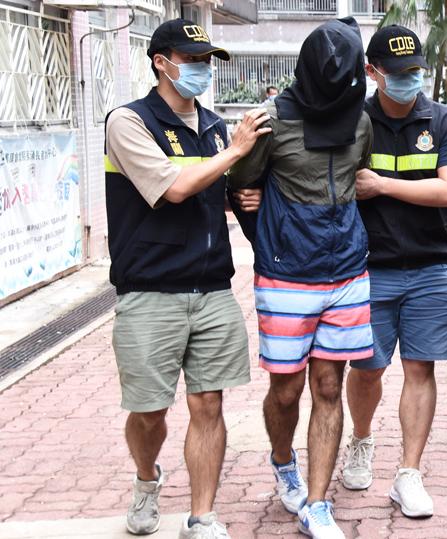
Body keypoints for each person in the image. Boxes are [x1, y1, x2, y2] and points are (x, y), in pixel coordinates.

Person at [104, 19, 270, 539]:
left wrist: (242, 196)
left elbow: (213, 189)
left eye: (206, 61)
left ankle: (202, 516)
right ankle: (146, 478)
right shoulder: (129, 122)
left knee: (208, 403)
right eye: (191, 59)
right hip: (150, 291)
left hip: (212, 288)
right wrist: (234, 154)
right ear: (161, 62)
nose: (201, 69)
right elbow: (172, 188)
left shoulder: (215, 127)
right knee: (149, 411)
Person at [228, 18, 373, 539]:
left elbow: (357, 175)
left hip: (347, 271)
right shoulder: (270, 122)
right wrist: (272, 239)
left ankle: (317, 504)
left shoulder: (361, 121)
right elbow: (241, 188)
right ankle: (283, 459)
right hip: (287, 276)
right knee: (286, 391)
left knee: (329, 385)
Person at [341, 25, 447, 518]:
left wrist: (382, 185)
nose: (408, 79)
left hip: (431, 268)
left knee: (420, 369)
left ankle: (408, 473)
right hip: (367, 270)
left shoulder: (444, 121)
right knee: (367, 369)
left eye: (415, 70)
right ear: (372, 72)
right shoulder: (353, 121)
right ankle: (361, 439)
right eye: (397, 72)